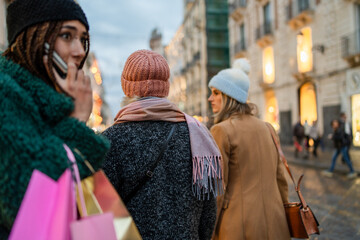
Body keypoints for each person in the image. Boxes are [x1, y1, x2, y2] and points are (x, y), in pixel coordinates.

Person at [0, 0, 109, 238]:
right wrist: (78, 120)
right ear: (34, 36)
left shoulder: (49, 99)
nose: (80, 50)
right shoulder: (5, 93)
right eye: (67, 36)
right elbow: (28, 203)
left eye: (83, 39)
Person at [102, 50, 222, 240]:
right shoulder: (197, 136)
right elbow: (208, 214)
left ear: (127, 88)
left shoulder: (111, 140)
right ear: (165, 88)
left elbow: (102, 214)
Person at [208, 58, 290, 240]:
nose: (210, 98)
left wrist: (209, 231)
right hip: (275, 223)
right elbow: (281, 180)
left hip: (238, 226)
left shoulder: (221, 130)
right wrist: (285, 212)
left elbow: (217, 191)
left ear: (230, 97)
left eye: (216, 93)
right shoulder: (267, 128)